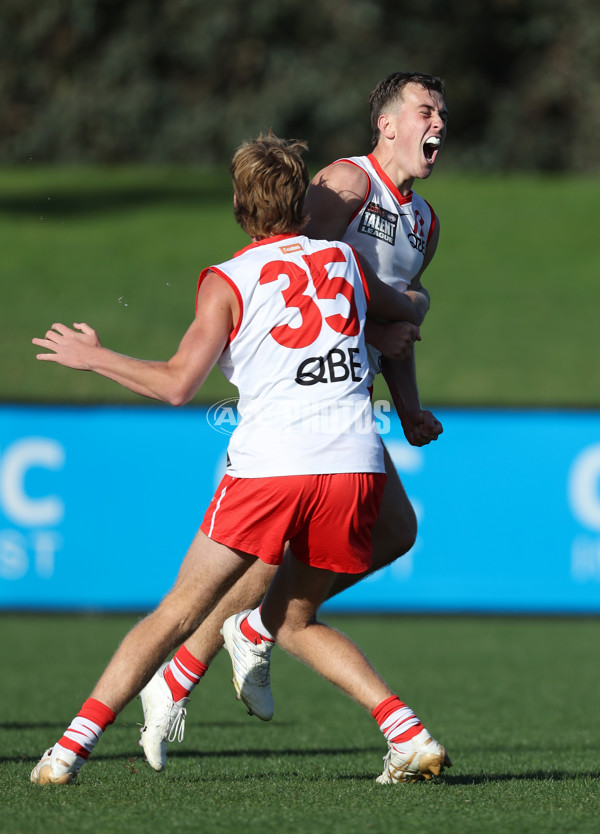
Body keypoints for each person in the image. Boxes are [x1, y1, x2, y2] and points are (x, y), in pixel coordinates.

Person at [29, 132, 451, 786]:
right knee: (295, 618)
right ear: (302, 200)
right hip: (353, 460)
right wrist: (406, 314)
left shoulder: (228, 280)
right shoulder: (343, 259)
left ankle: (66, 752)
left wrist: (95, 357)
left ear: (237, 203)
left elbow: (176, 384)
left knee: (174, 612)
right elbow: (400, 312)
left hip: (273, 464)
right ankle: (404, 731)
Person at [137, 71, 448, 773]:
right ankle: (196, 665)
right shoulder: (345, 182)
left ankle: (233, 643)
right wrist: (400, 312)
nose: (439, 123)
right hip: (297, 403)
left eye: (443, 113)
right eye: (426, 109)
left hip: (347, 406)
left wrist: (408, 402)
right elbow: (299, 263)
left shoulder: (425, 222)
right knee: (264, 564)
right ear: (387, 124)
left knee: (389, 534)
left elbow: (391, 325)